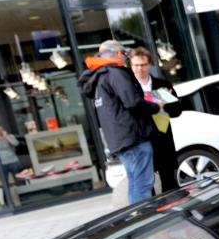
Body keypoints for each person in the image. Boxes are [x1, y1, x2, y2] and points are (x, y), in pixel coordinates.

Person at [77, 40, 160, 205]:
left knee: (135, 182)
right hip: (134, 136)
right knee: (142, 184)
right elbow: (133, 102)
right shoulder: (116, 73)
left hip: (121, 138)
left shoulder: (99, 76)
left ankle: (137, 218)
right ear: (120, 54)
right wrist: (155, 106)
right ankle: (144, 220)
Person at [129, 48, 181, 192]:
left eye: (143, 65)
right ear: (131, 65)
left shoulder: (162, 85)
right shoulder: (129, 87)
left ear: (149, 64)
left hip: (162, 138)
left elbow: (177, 111)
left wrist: (164, 105)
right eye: (136, 65)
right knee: (146, 184)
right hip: (142, 139)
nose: (140, 69)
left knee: (169, 182)